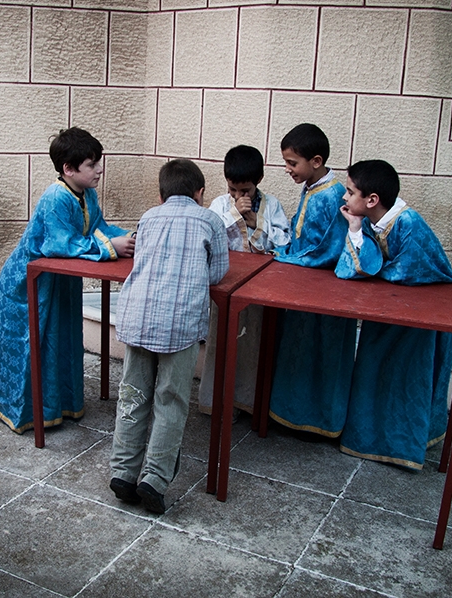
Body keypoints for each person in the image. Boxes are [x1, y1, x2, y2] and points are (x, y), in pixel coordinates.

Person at [0, 127, 134, 433]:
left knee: (62, 342)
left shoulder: (88, 194)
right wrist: (109, 249)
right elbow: (59, 244)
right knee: (34, 346)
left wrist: (125, 238)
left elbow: (97, 228)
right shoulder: (56, 196)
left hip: (60, 281)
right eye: (92, 164)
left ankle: (59, 407)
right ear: (68, 169)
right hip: (30, 283)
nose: (99, 169)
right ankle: (28, 413)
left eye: (99, 162)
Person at [109, 159, 229, 514]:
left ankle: (123, 472)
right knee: (170, 400)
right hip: (179, 325)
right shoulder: (210, 220)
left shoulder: (148, 217)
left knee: (132, 394)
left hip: (138, 317)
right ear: (200, 193)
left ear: (161, 195)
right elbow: (217, 273)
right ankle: (155, 479)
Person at [335, 159, 452, 469]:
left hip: (420, 316)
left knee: (406, 379)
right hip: (391, 306)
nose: (345, 199)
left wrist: (371, 267)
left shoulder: (408, 222)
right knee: (374, 370)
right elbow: (363, 267)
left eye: (350, 192)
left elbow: (406, 270)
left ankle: (404, 445)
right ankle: (370, 440)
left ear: (372, 200)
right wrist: (354, 228)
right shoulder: (375, 222)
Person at [268, 123, 356, 438]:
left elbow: (322, 249)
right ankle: (292, 415)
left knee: (318, 352)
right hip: (307, 281)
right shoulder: (313, 187)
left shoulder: (329, 194)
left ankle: (314, 422)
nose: (288, 169)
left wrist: (282, 255)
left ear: (315, 161)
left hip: (322, 287)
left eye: (293, 163)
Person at [198, 145, 290, 415]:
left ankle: (248, 404)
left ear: (258, 181)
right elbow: (210, 233)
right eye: (233, 190)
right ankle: (217, 402)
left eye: (245, 191)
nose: (239, 196)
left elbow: (284, 242)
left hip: (260, 284)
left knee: (254, 343)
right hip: (227, 281)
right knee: (222, 340)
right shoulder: (219, 204)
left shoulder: (272, 205)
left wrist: (255, 225)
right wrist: (234, 214)